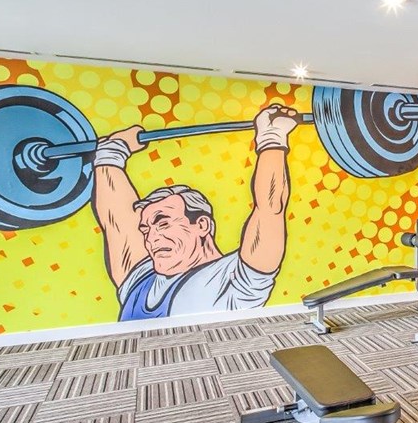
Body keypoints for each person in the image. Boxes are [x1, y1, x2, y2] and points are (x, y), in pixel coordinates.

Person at [91, 104, 297, 320]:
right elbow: (116, 218)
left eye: (163, 224)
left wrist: (272, 137)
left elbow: (270, 207)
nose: (150, 239)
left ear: (202, 225)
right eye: (145, 229)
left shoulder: (233, 279)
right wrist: (113, 150)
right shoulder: (140, 281)